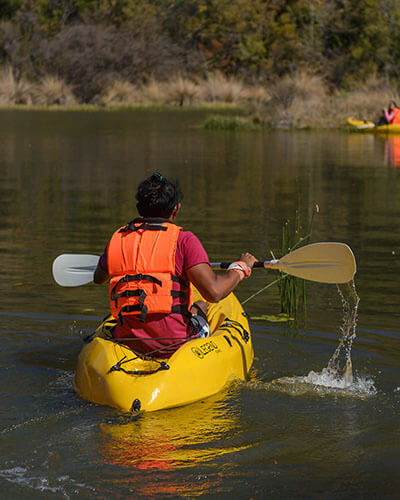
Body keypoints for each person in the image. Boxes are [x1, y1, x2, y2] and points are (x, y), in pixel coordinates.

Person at [93, 173, 257, 358]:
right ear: (176, 209)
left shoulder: (118, 239)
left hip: (127, 340)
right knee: (201, 306)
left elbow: (99, 279)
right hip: (174, 344)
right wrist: (241, 267)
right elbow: (215, 292)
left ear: (139, 209)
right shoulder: (184, 240)